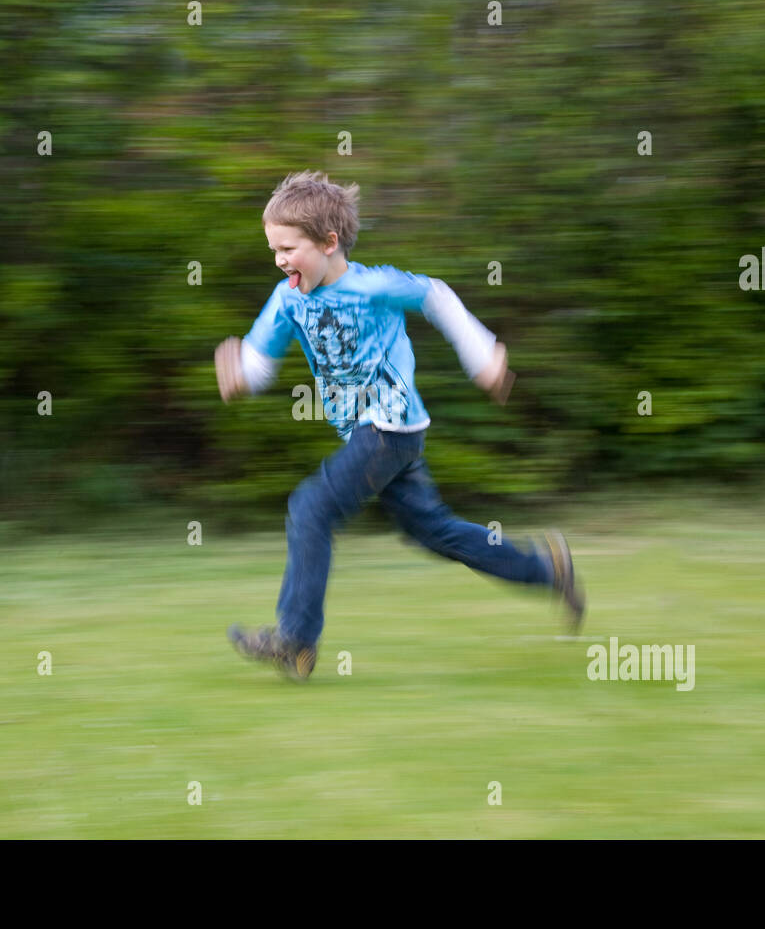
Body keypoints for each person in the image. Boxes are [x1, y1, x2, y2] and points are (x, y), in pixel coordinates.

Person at [215, 171, 583, 681]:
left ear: (328, 242)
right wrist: (241, 375)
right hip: (374, 436)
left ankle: (296, 641)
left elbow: (436, 295)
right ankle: (547, 570)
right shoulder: (289, 299)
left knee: (310, 507)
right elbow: (260, 356)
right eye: (273, 249)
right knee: (433, 531)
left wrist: (482, 355)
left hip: (389, 427)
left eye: (288, 248)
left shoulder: (373, 286)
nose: (279, 259)